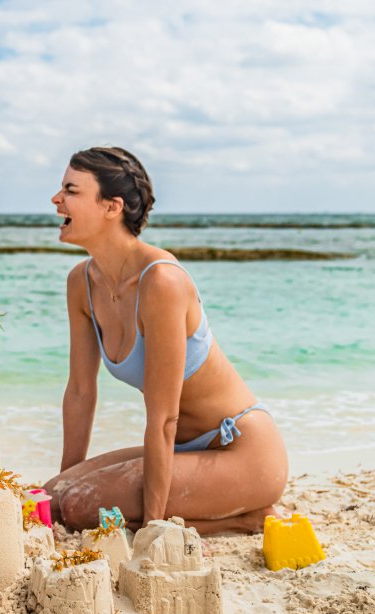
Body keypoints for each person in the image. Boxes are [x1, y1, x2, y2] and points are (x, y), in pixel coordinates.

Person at [43, 147, 286, 534]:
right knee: (56, 495)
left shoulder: (162, 282)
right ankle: (207, 510)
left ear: (112, 207)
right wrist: (58, 491)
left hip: (241, 451)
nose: (56, 199)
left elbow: (164, 418)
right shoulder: (81, 283)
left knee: (78, 507)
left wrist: (154, 525)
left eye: (70, 190)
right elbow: (80, 393)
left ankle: (247, 517)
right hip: (181, 451)